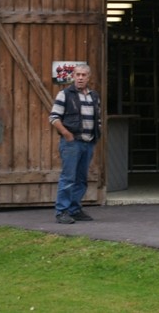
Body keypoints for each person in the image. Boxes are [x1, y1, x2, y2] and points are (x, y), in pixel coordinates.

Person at [49, 63, 101, 224]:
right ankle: (62, 212)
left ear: (88, 77)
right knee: (68, 178)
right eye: (77, 75)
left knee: (81, 179)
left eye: (83, 75)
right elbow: (54, 118)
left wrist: (96, 134)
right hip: (72, 143)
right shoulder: (64, 94)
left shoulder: (94, 96)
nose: (80, 78)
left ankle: (75, 209)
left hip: (88, 142)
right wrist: (66, 134)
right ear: (73, 77)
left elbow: (98, 118)